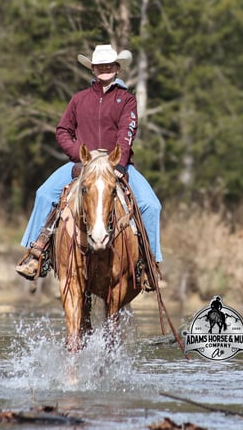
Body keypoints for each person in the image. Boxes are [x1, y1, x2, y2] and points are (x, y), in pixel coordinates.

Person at [15, 44, 163, 281]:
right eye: (99, 65)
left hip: (117, 164)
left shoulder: (126, 100)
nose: (104, 68)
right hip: (83, 163)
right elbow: (63, 130)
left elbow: (127, 132)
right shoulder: (78, 99)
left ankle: (149, 264)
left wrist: (119, 165)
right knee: (44, 194)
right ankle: (36, 255)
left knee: (151, 205)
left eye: (109, 65)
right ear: (93, 69)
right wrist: (79, 154)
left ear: (117, 68)